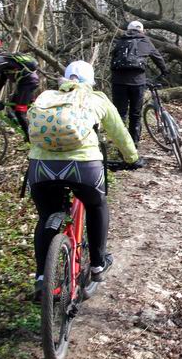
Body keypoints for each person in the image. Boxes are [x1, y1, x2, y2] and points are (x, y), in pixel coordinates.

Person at [27, 60, 138, 301]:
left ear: (65, 80)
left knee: (46, 216)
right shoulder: (97, 99)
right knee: (96, 204)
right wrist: (131, 157)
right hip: (84, 167)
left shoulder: (46, 96)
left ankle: (41, 278)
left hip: (41, 168)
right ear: (91, 81)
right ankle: (98, 264)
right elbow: (119, 132)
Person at [110, 20, 169, 156]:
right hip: (137, 82)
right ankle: (134, 147)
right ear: (142, 31)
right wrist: (164, 71)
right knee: (135, 115)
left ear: (128, 30)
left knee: (120, 115)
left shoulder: (120, 41)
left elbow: (113, 60)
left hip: (118, 83)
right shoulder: (145, 41)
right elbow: (157, 57)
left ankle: (121, 148)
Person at [0, 36, 40, 141]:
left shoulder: (0, 59)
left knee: (19, 112)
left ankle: (30, 141)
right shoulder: (5, 60)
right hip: (24, 83)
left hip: (28, 83)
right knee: (12, 106)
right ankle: (30, 130)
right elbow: (2, 82)